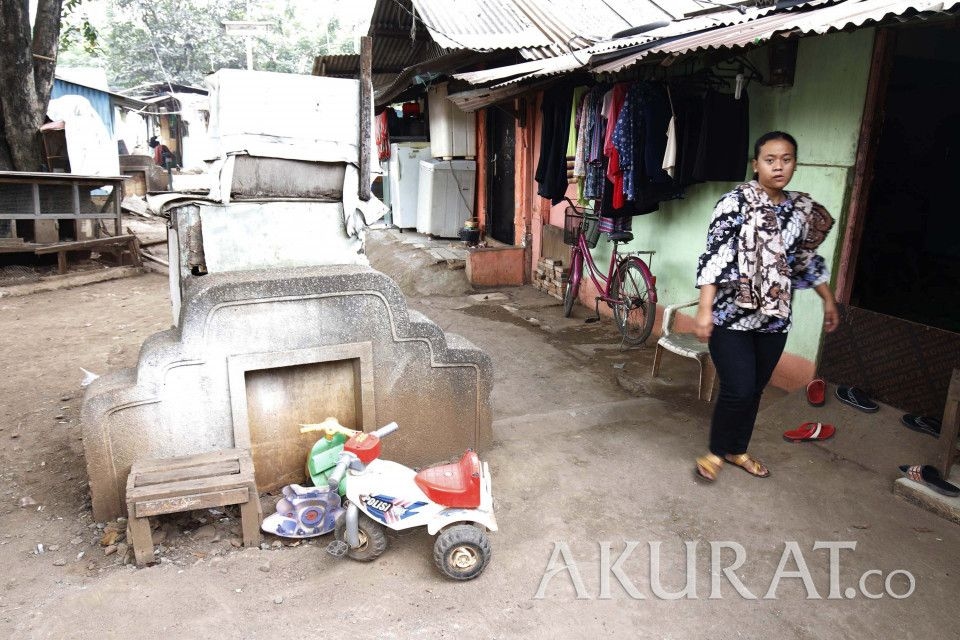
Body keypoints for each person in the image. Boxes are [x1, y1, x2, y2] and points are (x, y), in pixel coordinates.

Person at [693, 131, 840, 482]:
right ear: (755, 164)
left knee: (755, 389)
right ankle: (715, 451)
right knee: (738, 388)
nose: (778, 166)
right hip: (730, 315)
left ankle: (737, 449)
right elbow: (715, 257)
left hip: (774, 319)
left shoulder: (801, 209)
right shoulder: (734, 203)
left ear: (795, 163)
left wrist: (828, 299)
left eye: (786, 159)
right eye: (770, 159)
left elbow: (803, 259)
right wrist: (703, 308)